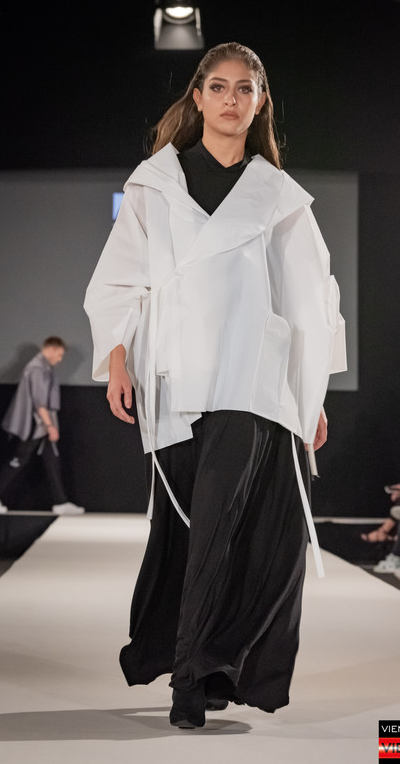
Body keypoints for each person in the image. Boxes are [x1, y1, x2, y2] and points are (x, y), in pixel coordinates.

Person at [84, 42, 346, 729]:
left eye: (245, 88)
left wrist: (309, 396)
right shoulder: (154, 183)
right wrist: (117, 357)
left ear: (260, 103)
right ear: (198, 97)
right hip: (174, 377)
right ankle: (212, 664)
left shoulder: (279, 195)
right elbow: (119, 277)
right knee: (187, 529)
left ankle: (190, 682)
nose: (232, 100)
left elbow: (311, 296)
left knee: (223, 527)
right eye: (220, 87)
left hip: (250, 379)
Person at [0, 337, 85, 516]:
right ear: (51, 349)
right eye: (59, 354)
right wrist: (49, 425)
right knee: (20, 458)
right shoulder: (37, 369)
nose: (60, 359)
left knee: (52, 460)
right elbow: (39, 403)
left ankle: (60, 502)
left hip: (40, 423)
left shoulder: (43, 368)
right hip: (34, 424)